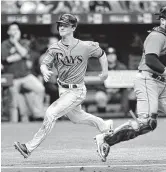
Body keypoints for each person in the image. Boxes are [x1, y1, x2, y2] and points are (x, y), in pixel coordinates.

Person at [94, 4, 166, 166]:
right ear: (163, 21)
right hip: (147, 80)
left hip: (159, 82)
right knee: (147, 123)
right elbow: (151, 60)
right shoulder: (157, 36)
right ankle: (106, 139)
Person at [14, 14, 113, 160]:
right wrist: (44, 70)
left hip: (76, 90)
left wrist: (105, 72)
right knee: (77, 118)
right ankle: (105, 126)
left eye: (65, 25)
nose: (61, 27)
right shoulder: (55, 48)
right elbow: (44, 63)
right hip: (63, 89)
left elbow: (102, 54)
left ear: (73, 27)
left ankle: (28, 148)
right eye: (60, 24)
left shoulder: (85, 46)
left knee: (50, 113)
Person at [1, 22, 45, 122]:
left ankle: (38, 115)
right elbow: (6, 59)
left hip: (26, 76)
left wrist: (16, 43)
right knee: (13, 103)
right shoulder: (4, 44)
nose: (15, 31)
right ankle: (13, 124)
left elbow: (24, 53)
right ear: (8, 32)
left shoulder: (23, 42)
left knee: (40, 89)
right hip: (12, 78)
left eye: (17, 29)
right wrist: (20, 55)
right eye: (12, 29)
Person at [94, 47, 129, 114]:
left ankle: (126, 114)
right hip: (105, 91)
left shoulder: (122, 67)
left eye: (113, 55)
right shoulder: (101, 67)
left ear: (116, 56)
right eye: (109, 55)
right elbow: (97, 83)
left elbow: (126, 82)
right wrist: (106, 90)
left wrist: (117, 89)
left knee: (131, 92)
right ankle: (102, 116)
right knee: (100, 96)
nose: (111, 57)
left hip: (119, 92)